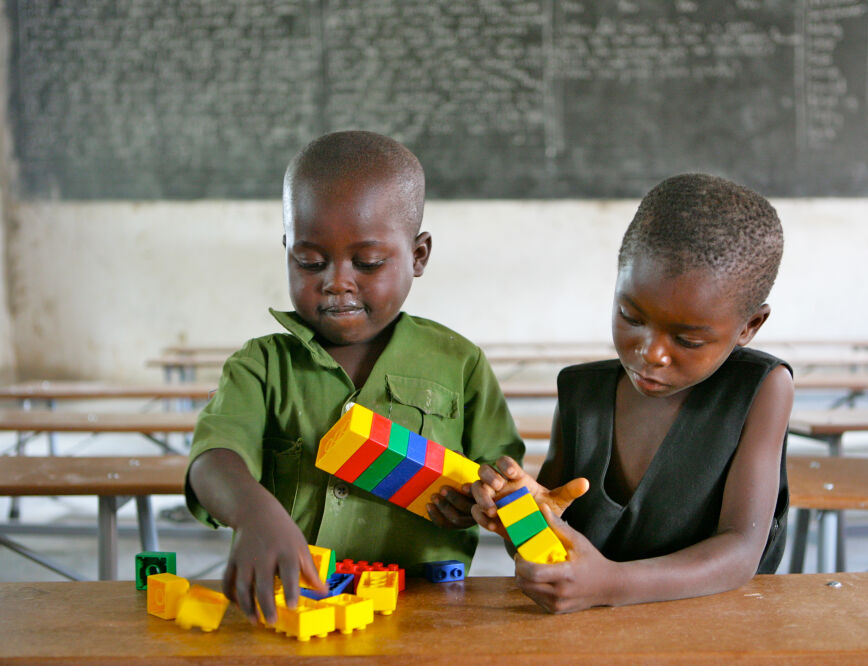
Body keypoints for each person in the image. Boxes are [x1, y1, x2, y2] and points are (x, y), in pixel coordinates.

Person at [186, 130, 524, 623]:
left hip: (425, 617)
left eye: (367, 263)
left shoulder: (459, 363)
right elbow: (213, 459)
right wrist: (254, 512)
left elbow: (504, 478)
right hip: (292, 610)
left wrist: (485, 499)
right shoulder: (261, 367)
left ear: (419, 255)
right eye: (310, 261)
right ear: (287, 251)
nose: (336, 281)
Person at [472, 173, 792, 613]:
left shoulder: (759, 390)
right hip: (588, 635)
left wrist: (611, 583)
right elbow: (553, 534)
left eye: (688, 341)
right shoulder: (583, 394)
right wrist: (523, 521)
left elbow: (740, 550)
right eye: (630, 315)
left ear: (749, 327)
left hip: (717, 631)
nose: (651, 352)